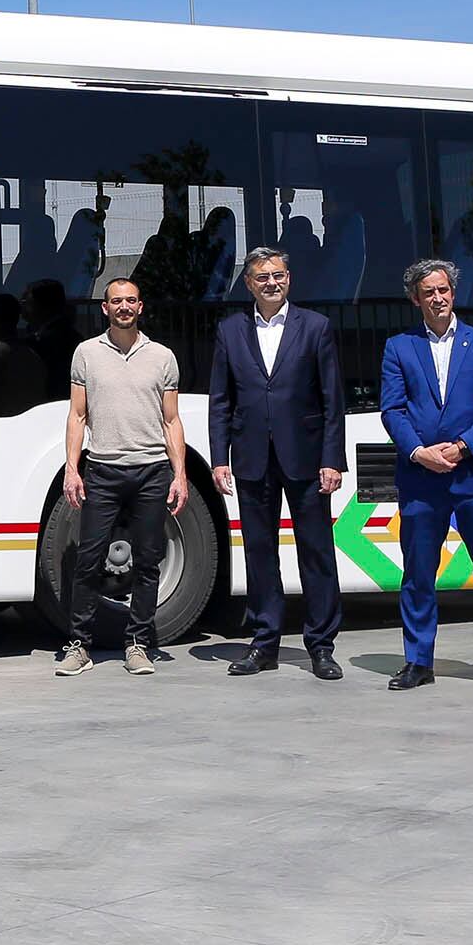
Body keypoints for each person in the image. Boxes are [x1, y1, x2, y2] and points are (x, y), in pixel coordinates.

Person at [378, 258, 473, 694]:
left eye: (443, 290)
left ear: (453, 293)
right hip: (421, 477)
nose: (437, 298)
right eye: (428, 293)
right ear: (415, 299)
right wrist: (420, 452)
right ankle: (418, 661)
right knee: (418, 574)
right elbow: (393, 409)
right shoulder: (399, 347)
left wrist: (460, 447)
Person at [207, 248, 346, 679]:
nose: (272, 283)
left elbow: (331, 400)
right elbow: (221, 400)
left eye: (280, 275)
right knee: (260, 552)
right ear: (248, 283)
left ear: (289, 278)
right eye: (263, 277)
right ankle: (264, 642)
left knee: (317, 552)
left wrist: (332, 459)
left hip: (305, 457)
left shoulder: (315, 327)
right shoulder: (230, 330)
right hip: (251, 459)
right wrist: (218, 458)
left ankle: (321, 645)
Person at [52, 277, 189, 678]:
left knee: (148, 562)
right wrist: (72, 469)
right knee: (88, 560)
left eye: (131, 301)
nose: (124, 307)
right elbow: (77, 415)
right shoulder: (86, 354)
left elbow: (171, 419)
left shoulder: (162, 356)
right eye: (117, 301)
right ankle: (78, 646)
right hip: (103, 470)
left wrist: (179, 475)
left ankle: (138, 645)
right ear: (105, 309)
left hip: (151, 472)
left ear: (141, 307)